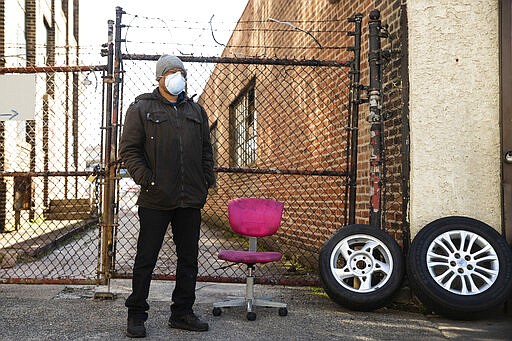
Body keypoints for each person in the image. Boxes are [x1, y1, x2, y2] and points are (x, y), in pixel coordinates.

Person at [119, 54, 215, 338]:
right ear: (160, 77)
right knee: (146, 258)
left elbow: (206, 151)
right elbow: (129, 151)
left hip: (190, 199)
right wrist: (148, 181)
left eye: (180, 72)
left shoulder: (196, 111)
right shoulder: (141, 107)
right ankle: (136, 314)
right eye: (171, 72)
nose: (177, 77)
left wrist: (206, 182)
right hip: (156, 198)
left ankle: (182, 312)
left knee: (189, 259)